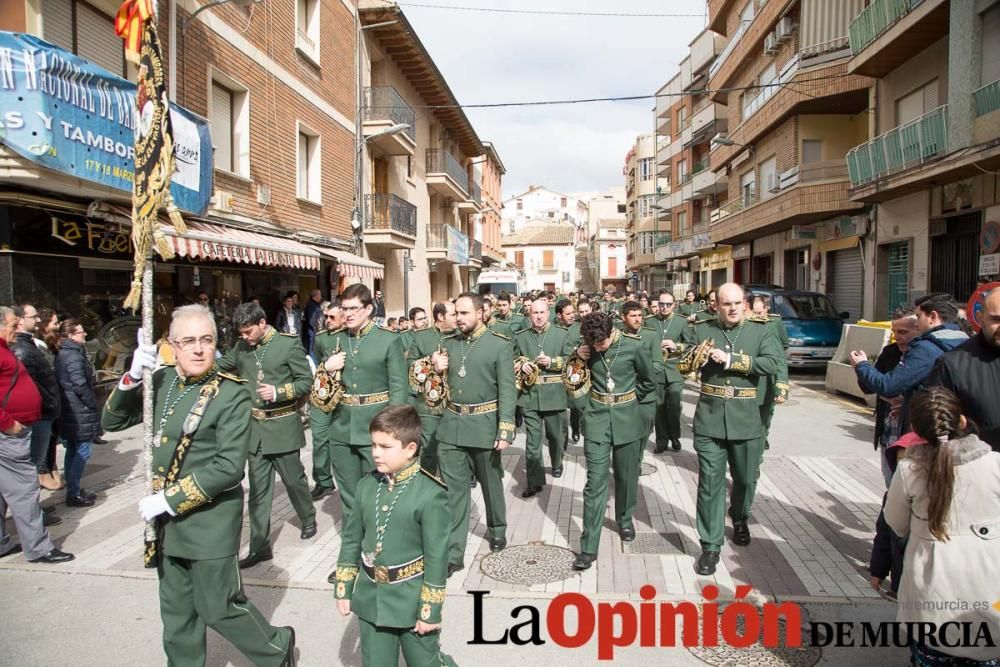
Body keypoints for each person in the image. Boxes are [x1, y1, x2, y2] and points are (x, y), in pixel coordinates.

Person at [102, 305, 295, 666]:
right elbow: (112, 422)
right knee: (177, 614)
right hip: (167, 525)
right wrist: (130, 378)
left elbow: (228, 467)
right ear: (171, 346)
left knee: (217, 607)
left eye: (206, 340)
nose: (198, 349)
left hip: (210, 519)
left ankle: (277, 648)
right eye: (187, 341)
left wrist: (169, 499)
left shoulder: (230, 393)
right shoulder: (160, 382)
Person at [884, 387, 1000, 666]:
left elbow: (896, 523)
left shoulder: (909, 470)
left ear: (915, 429)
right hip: (990, 590)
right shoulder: (996, 465)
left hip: (930, 593)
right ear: (962, 421)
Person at [334, 405, 456, 667]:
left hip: (411, 600)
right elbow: (352, 539)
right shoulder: (367, 485)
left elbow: (437, 558)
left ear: (411, 449)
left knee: (426, 663)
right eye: (374, 445)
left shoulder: (430, 493)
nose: (376, 453)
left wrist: (430, 610)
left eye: (385, 447)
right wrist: (344, 588)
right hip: (371, 598)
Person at [687, 283, 783, 576]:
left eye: (737, 303)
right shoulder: (702, 329)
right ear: (715, 305)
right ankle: (710, 545)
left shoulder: (762, 330)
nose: (732, 309)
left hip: (747, 419)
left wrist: (731, 360)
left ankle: (740, 517)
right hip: (710, 419)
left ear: (745, 304)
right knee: (709, 485)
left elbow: (771, 362)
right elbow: (684, 361)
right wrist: (693, 359)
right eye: (725, 303)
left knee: (745, 478)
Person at [218, 303, 317, 570]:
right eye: (241, 333)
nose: (245, 337)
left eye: (248, 331)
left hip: (283, 426)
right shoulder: (242, 347)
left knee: (294, 481)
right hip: (255, 432)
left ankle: (308, 518)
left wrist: (278, 392)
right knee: (259, 493)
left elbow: (306, 382)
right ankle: (260, 546)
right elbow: (220, 366)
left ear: (262, 323)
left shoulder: (288, 345)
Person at [430, 293, 515, 577]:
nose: (459, 318)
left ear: (481, 314)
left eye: (465, 313)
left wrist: (505, 428)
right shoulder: (447, 343)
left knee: (491, 484)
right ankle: (454, 552)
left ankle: (497, 529)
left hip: (484, 425)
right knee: (454, 494)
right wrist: (435, 369)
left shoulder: (499, 345)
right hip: (452, 425)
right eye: (456, 313)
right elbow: (433, 388)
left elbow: (507, 390)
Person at [319, 283, 408, 534]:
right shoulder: (333, 340)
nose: (347, 314)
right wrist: (327, 368)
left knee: (380, 490)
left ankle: (381, 545)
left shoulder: (388, 340)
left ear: (369, 309)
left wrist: (394, 431)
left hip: (376, 429)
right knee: (348, 496)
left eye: (353, 309)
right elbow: (320, 388)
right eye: (344, 308)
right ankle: (352, 556)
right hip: (341, 428)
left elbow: (398, 388)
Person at [571, 312, 656, 570]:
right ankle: (588, 547)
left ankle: (625, 518)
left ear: (611, 333)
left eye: (601, 343)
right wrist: (577, 357)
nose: (598, 347)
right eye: (593, 343)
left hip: (628, 420)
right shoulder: (586, 347)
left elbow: (649, 381)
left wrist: (629, 400)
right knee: (594, 483)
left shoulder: (633, 346)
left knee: (626, 475)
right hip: (597, 421)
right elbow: (573, 379)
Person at [0, 306, 74, 564]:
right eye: (11, 324)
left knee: (5, 491)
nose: (16, 327)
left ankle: (1, 542)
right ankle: (39, 548)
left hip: (13, 430)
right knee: (24, 491)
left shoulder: (5, 349)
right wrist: (9, 424)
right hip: (9, 434)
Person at [851, 293, 968, 434]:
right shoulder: (967, 343)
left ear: (932, 317)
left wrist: (862, 365)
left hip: (930, 431)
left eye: (918, 317)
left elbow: (888, 386)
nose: (917, 324)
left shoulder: (926, 349)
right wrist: (909, 405)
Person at [513, 299, 573, 498]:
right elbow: (512, 358)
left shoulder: (562, 334)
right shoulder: (520, 337)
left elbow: (572, 360)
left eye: (541, 312)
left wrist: (552, 361)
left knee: (556, 436)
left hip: (554, 394)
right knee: (532, 443)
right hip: (530, 396)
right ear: (529, 315)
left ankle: (557, 462)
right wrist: (521, 364)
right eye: (534, 313)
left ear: (548, 314)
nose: (538, 316)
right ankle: (534, 481)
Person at [927, 287, 1000, 451]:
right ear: (980, 319)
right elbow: (934, 428)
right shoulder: (951, 365)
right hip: (978, 473)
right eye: (996, 319)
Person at [10, 305, 62, 492]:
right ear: (20, 320)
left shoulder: (29, 344)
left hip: (44, 413)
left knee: (35, 462)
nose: (38, 320)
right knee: (31, 466)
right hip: (39, 414)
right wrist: (50, 401)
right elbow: (30, 386)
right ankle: (31, 511)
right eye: (34, 317)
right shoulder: (20, 349)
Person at [406, 301, 458, 475]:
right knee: (429, 449)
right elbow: (409, 366)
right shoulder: (421, 337)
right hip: (428, 405)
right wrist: (430, 363)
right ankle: (428, 483)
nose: (457, 317)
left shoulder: (461, 335)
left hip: (455, 402)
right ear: (440, 317)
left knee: (454, 449)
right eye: (453, 314)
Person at [54, 319, 101, 508]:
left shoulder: (67, 353)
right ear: (71, 335)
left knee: (73, 449)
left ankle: (73, 489)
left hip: (71, 409)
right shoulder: (72, 356)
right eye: (81, 332)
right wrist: (92, 404)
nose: (85, 334)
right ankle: (73, 493)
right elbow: (79, 384)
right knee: (82, 451)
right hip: (78, 410)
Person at [307, 303, 345, 500]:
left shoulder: (350, 336)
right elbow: (315, 364)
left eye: (332, 317)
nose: (328, 320)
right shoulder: (321, 338)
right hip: (323, 394)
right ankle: (323, 481)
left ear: (343, 317)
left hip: (346, 396)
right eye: (326, 317)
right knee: (320, 438)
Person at [647, 290, 689, 453]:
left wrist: (677, 346)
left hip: (674, 369)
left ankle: (675, 436)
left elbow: (691, 345)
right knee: (658, 407)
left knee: (673, 404)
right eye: (661, 304)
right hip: (656, 370)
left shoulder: (681, 321)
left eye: (667, 305)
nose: (664, 307)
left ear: (674, 305)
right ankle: (661, 441)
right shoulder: (650, 322)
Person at [618, 301, 665, 448]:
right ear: (623, 317)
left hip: (644, 395)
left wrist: (643, 371)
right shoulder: (617, 335)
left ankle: (636, 463)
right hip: (621, 393)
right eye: (633, 316)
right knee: (623, 434)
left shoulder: (650, 336)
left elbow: (658, 363)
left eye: (640, 315)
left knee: (643, 433)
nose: (638, 319)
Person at [749, 293, 789, 452]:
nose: (757, 316)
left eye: (759, 313)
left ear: (766, 309)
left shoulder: (773, 324)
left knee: (766, 412)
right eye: (754, 313)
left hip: (768, 377)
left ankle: (763, 437)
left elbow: (782, 349)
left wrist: (781, 387)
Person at [302, 289, 324, 355]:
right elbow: (312, 320)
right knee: (312, 347)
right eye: (320, 295)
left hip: (313, 330)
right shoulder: (311, 305)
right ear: (316, 296)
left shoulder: (315, 304)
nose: (321, 297)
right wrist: (317, 329)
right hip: (312, 331)